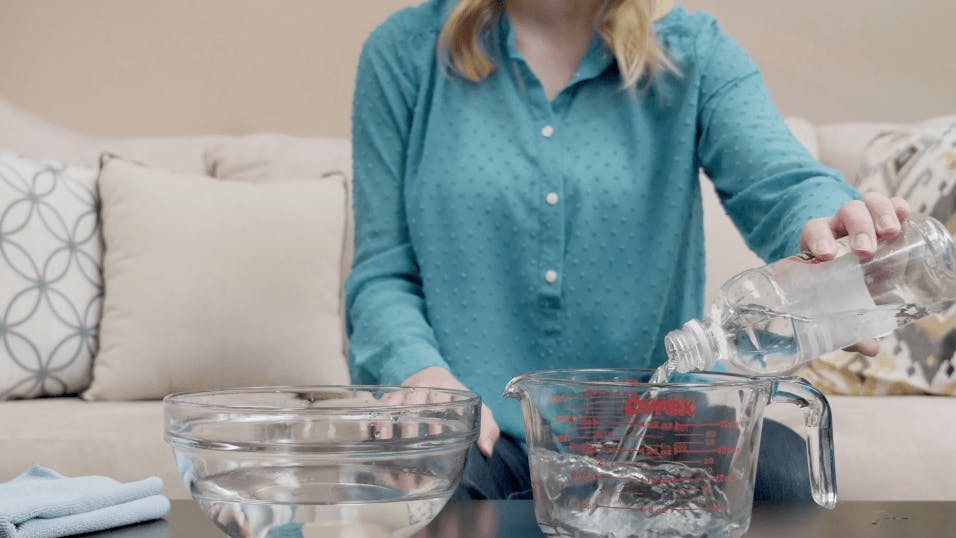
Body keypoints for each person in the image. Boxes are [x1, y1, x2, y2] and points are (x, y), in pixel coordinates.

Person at [346, 0, 909, 500]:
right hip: (485, 433)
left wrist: (831, 227)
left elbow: (783, 184)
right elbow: (383, 272)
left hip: (661, 427)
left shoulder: (697, 52)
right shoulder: (405, 53)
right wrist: (418, 375)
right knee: (414, 483)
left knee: (781, 476)